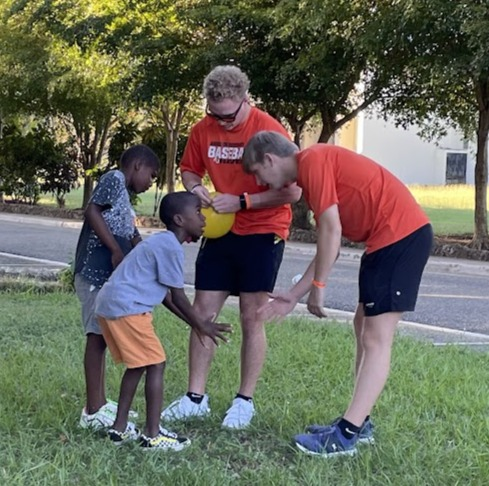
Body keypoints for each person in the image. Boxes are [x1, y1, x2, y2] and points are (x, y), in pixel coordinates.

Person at [242, 130, 433, 457]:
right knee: (362, 326)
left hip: (401, 237)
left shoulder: (313, 159)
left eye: (259, 173)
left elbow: (332, 229)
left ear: (270, 160)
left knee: (376, 338)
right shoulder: (314, 168)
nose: (263, 183)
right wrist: (294, 294)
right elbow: (328, 247)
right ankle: (360, 424)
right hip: (385, 241)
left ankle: (346, 434)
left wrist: (319, 288)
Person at [161, 65, 302, 429]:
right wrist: (196, 190)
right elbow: (189, 170)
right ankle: (195, 397)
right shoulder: (201, 129)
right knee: (202, 310)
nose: (220, 122)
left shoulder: (269, 129)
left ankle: (244, 401)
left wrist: (242, 202)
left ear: (245, 100)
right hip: (219, 230)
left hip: (264, 228)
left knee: (252, 315)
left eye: (227, 115)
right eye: (213, 113)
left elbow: (293, 190)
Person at [95, 191, 232, 449]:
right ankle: (152, 434)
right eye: (198, 212)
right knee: (156, 363)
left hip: (113, 305)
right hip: (128, 308)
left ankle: (119, 429)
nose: (205, 219)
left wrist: (194, 324)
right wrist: (202, 324)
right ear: (179, 219)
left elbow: (167, 297)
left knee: (138, 365)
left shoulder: (162, 242)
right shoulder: (169, 246)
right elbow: (178, 298)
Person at [75, 144, 159, 430]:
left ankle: (99, 402)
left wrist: (148, 258)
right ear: (137, 166)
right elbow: (92, 211)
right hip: (92, 273)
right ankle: (92, 410)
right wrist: (114, 249)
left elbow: (132, 234)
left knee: (102, 338)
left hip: (106, 279)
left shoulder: (124, 198)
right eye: (151, 174)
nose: (150, 182)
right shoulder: (114, 179)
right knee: (96, 338)